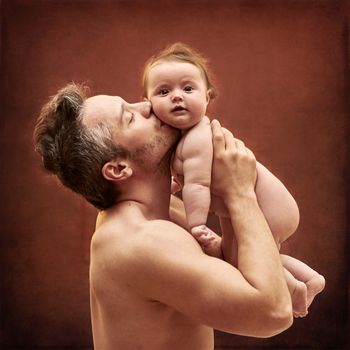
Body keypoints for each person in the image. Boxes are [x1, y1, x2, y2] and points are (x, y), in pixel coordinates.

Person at [34, 83, 293, 349]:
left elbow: (235, 267)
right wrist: (239, 192)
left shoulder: (161, 212)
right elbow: (273, 313)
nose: (147, 105)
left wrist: (222, 185)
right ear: (118, 168)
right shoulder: (141, 241)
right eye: (130, 117)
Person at [142, 42, 325, 318]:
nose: (177, 97)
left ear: (207, 98)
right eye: (164, 91)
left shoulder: (197, 138)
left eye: (188, 88)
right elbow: (181, 181)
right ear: (148, 103)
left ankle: (296, 293)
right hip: (261, 206)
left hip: (268, 208)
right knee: (239, 261)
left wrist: (197, 224)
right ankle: (309, 279)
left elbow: (197, 185)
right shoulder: (179, 140)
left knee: (246, 265)